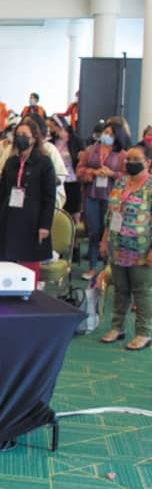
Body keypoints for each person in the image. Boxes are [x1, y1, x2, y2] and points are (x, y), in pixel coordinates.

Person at [0, 118, 56, 286]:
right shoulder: (11, 162)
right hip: (10, 217)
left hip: (32, 220)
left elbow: (49, 197)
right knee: (8, 264)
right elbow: (1, 196)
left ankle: (30, 297)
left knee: (29, 265)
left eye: (25, 135)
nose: (21, 138)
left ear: (34, 138)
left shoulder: (44, 163)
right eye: (18, 134)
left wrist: (45, 225)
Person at [99, 145, 152, 350]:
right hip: (117, 245)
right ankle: (117, 327)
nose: (129, 162)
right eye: (127, 159)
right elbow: (111, 215)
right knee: (120, 289)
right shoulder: (121, 182)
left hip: (141, 249)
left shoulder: (149, 186)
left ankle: (143, 332)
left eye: (135, 159)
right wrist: (105, 240)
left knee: (142, 292)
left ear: (147, 162)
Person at [77, 121, 130, 280]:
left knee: (110, 233)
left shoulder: (122, 155)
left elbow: (127, 177)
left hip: (112, 199)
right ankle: (92, 267)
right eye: (105, 132)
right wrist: (93, 171)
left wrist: (112, 174)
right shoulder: (91, 150)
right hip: (92, 196)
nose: (107, 136)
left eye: (111, 133)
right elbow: (79, 170)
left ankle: (107, 268)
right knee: (94, 232)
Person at [48, 116, 84, 222]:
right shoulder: (51, 142)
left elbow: (81, 156)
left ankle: (73, 232)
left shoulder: (75, 140)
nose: (52, 130)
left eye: (53, 127)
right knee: (60, 207)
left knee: (74, 209)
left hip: (73, 178)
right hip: (58, 179)